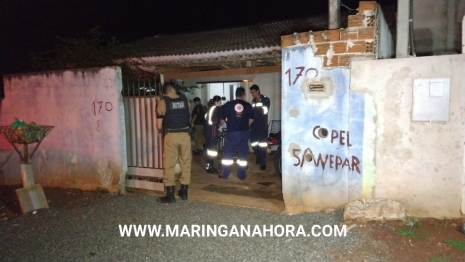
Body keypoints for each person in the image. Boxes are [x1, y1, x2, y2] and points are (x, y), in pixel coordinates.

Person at [156, 83, 192, 203]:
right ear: (173, 89)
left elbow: (159, 125)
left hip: (171, 135)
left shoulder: (163, 102)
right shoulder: (185, 100)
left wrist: (162, 129)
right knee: (186, 162)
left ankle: (170, 195)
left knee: (169, 164)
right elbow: (188, 118)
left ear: (165, 91)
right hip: (185, 135)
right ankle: (184, 191)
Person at [219, 87, 254, 180]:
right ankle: (241, 175)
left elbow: (222, 121)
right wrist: (245, 126)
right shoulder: (248, 105)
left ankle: (225, 174)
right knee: (242, 154)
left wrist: (224, 125)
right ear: (243, 95)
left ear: (235, 94)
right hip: (244, 133)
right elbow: (251, 120)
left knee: (228, 154)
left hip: (232, 133)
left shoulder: (228, 105)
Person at [249, 84, 270, 170]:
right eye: (251, 92)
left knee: (262, 144)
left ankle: (263, 163)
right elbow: (252, 112)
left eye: (253, 92)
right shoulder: (253, 101)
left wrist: (255, 115)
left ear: (258, 91)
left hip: (262, 125)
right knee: (253, 142)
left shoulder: (265, 99)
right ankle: (258, 155)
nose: (252, 94)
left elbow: (264, 111)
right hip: (254, 125)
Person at [204, 96, 222, 174]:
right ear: (216, 101)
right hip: (213, 130)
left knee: (209, 149)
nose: (221, 103)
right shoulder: (217, 109)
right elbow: (221, 120)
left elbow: (205, 117)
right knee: (212, 150)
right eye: (220, 102)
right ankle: (210, 167)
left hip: (207, 130)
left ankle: (209, 166)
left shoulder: (210, 108)